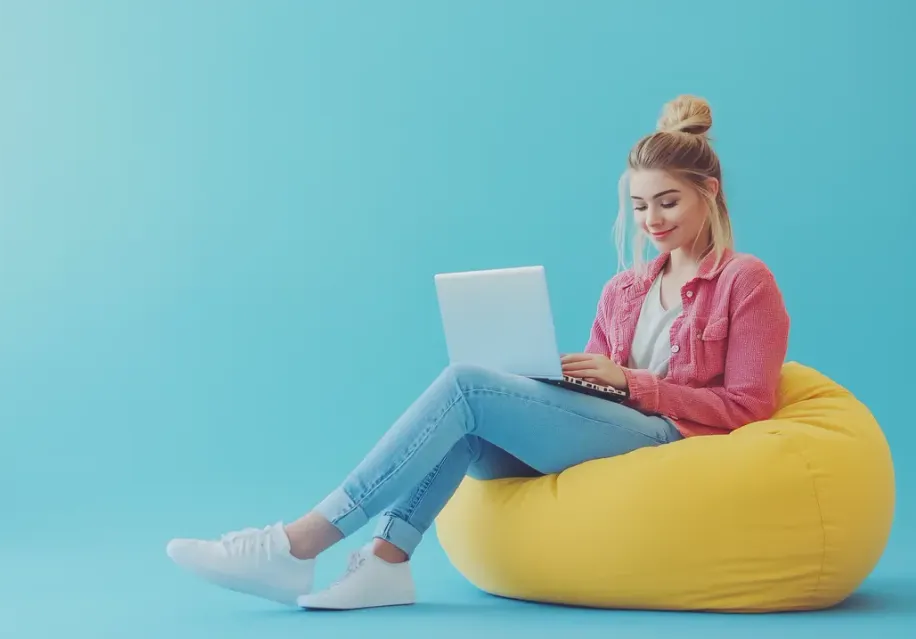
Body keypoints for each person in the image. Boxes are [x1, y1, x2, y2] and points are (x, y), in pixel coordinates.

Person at [165, 95, 790, 610]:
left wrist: (630, 384)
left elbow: (749, 406)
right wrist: (553, 378)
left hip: (668, 437)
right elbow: (598, 384)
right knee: (468, 419)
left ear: (709, 192)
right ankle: (387, 562)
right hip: (614, 425)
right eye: (639, 205)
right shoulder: (624, 288)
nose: (651, 220)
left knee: (466, 386)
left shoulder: (744, 280)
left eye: (668, 201)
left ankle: (295, 546)